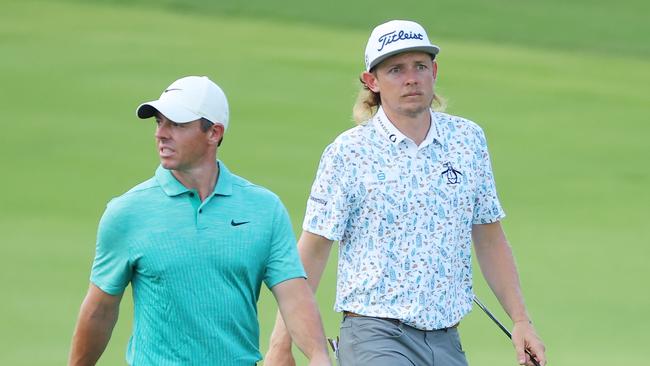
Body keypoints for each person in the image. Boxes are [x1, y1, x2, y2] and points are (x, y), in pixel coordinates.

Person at [265, 20, 547, 366]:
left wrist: (521, 320)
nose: (411, 78)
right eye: (396, 69)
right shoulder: (348, 153)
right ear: (372, 81)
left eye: (420, 67)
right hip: (374, 335)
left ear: (435, 71)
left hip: (446, 339)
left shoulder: (467, 141)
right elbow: (311, 253)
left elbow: (489, 239)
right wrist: (281, 345)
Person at [68, 76, 331, 366]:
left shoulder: (264, 209)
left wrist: (318, 356)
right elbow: (99, 311)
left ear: (214, 133)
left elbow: (294, 296)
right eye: (159, 122)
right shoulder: (127, 212)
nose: (161, 134)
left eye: (177, 124)